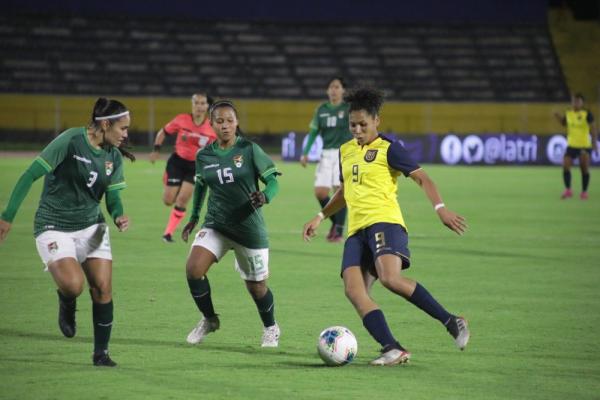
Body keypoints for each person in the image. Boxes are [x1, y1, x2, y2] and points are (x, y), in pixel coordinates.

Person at [302, 87, 470, 366]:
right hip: (356, 231)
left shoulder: (389, 149)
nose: (357, 130)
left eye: (363, 125)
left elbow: (424, 179)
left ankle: (452, 322)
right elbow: (346, 190)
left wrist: (441, 209)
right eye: (352, 125)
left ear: (377, 121)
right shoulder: (346, 151)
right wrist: (320, 216)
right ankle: (392, 347)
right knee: (354, 291)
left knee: (390, 278)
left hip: (385, 222)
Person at [0, 98, 134, 367]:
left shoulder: (113, 157)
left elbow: (113, 197)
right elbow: (29, 175)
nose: (126, 134)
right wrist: (7, 217)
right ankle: (67, 300)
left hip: (91, 226)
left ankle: (101, 354)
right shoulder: (71, 140)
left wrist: (118, 214)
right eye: (123, 128)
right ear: (105, 124)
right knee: (73, 285)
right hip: (54, 225)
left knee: (103, 288)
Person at [181, 100, 281, 347]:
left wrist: (265, 196)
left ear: (236, 123)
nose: (225, 125)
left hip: (248, 229)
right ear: (212, 124)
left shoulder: (249, 149)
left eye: (229, 120)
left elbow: (273, 182)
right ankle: (209, 319)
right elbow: (201, 187)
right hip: (216, 224)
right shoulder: (204, 155)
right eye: (219, 121)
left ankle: (270, 327)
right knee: (194, 269)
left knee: (257, 288)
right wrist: (193, 217)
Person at [150, 92, 217, 242]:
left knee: (182, 200)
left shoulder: (212, 126)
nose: (199, 106)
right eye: (196, 103)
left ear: (207, 106)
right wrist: (156, 149)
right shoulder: (182, 120)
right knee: (168, 200)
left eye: (202, 103)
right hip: (177, 162)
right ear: (192, 105)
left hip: (196, 167)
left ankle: (168, 234)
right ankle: (170, 181)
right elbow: (163, 132)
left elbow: (219, 147)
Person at [300, 77, 352, 243]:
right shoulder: (321, 109)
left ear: (343, 90)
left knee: (340, 190)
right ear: (327, 90)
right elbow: (313, 132)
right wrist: (305, 152)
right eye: (331, 87)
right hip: (326, 154)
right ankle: (337, 223)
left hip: (343, 153)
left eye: (337, 87)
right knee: (320, 192)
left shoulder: (348, 109)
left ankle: (338, 232)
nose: (334, 90)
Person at [553, 93, 598, 200]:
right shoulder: (568, 113)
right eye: (573, 101)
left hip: (584, 145)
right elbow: (564, 123)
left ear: (582, 103)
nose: (575, 103)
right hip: (572, 145)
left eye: (578, 101)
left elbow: (593, 128)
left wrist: (594, 143)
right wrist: (558, 117)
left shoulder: (587, 114)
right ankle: (568, 190)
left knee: (584, 169)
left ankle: (584, 192)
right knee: (565, 166)